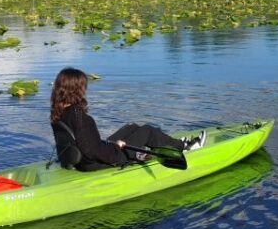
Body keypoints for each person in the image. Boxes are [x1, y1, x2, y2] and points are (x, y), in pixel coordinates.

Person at [50, 67, 205, 171]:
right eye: (83, 87)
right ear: (76, 90)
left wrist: (112, 144)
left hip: (81, 160)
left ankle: (149, 150)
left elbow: (84, 143)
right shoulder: (80, 116)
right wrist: (116, 148)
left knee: (131, 127)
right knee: (148, 131)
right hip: (94, 162)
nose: (85, 90)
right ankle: (184, 146)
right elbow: (91, 150)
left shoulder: (58, 111)